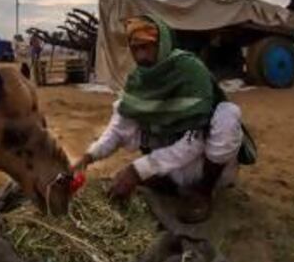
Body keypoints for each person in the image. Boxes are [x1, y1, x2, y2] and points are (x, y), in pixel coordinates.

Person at [72, 15, 243, 223]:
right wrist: (87, 158)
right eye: (135, 49)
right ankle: (169, 183)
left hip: (203, 166)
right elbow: (118, 129)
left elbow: (196, 139)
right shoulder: (139, 80)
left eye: (147, 47)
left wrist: (137, 170)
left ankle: (203, 194)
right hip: (171, 166)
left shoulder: (190, 70)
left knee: (228, 114)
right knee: (125, 107)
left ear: (162, 44)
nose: (141, 55)